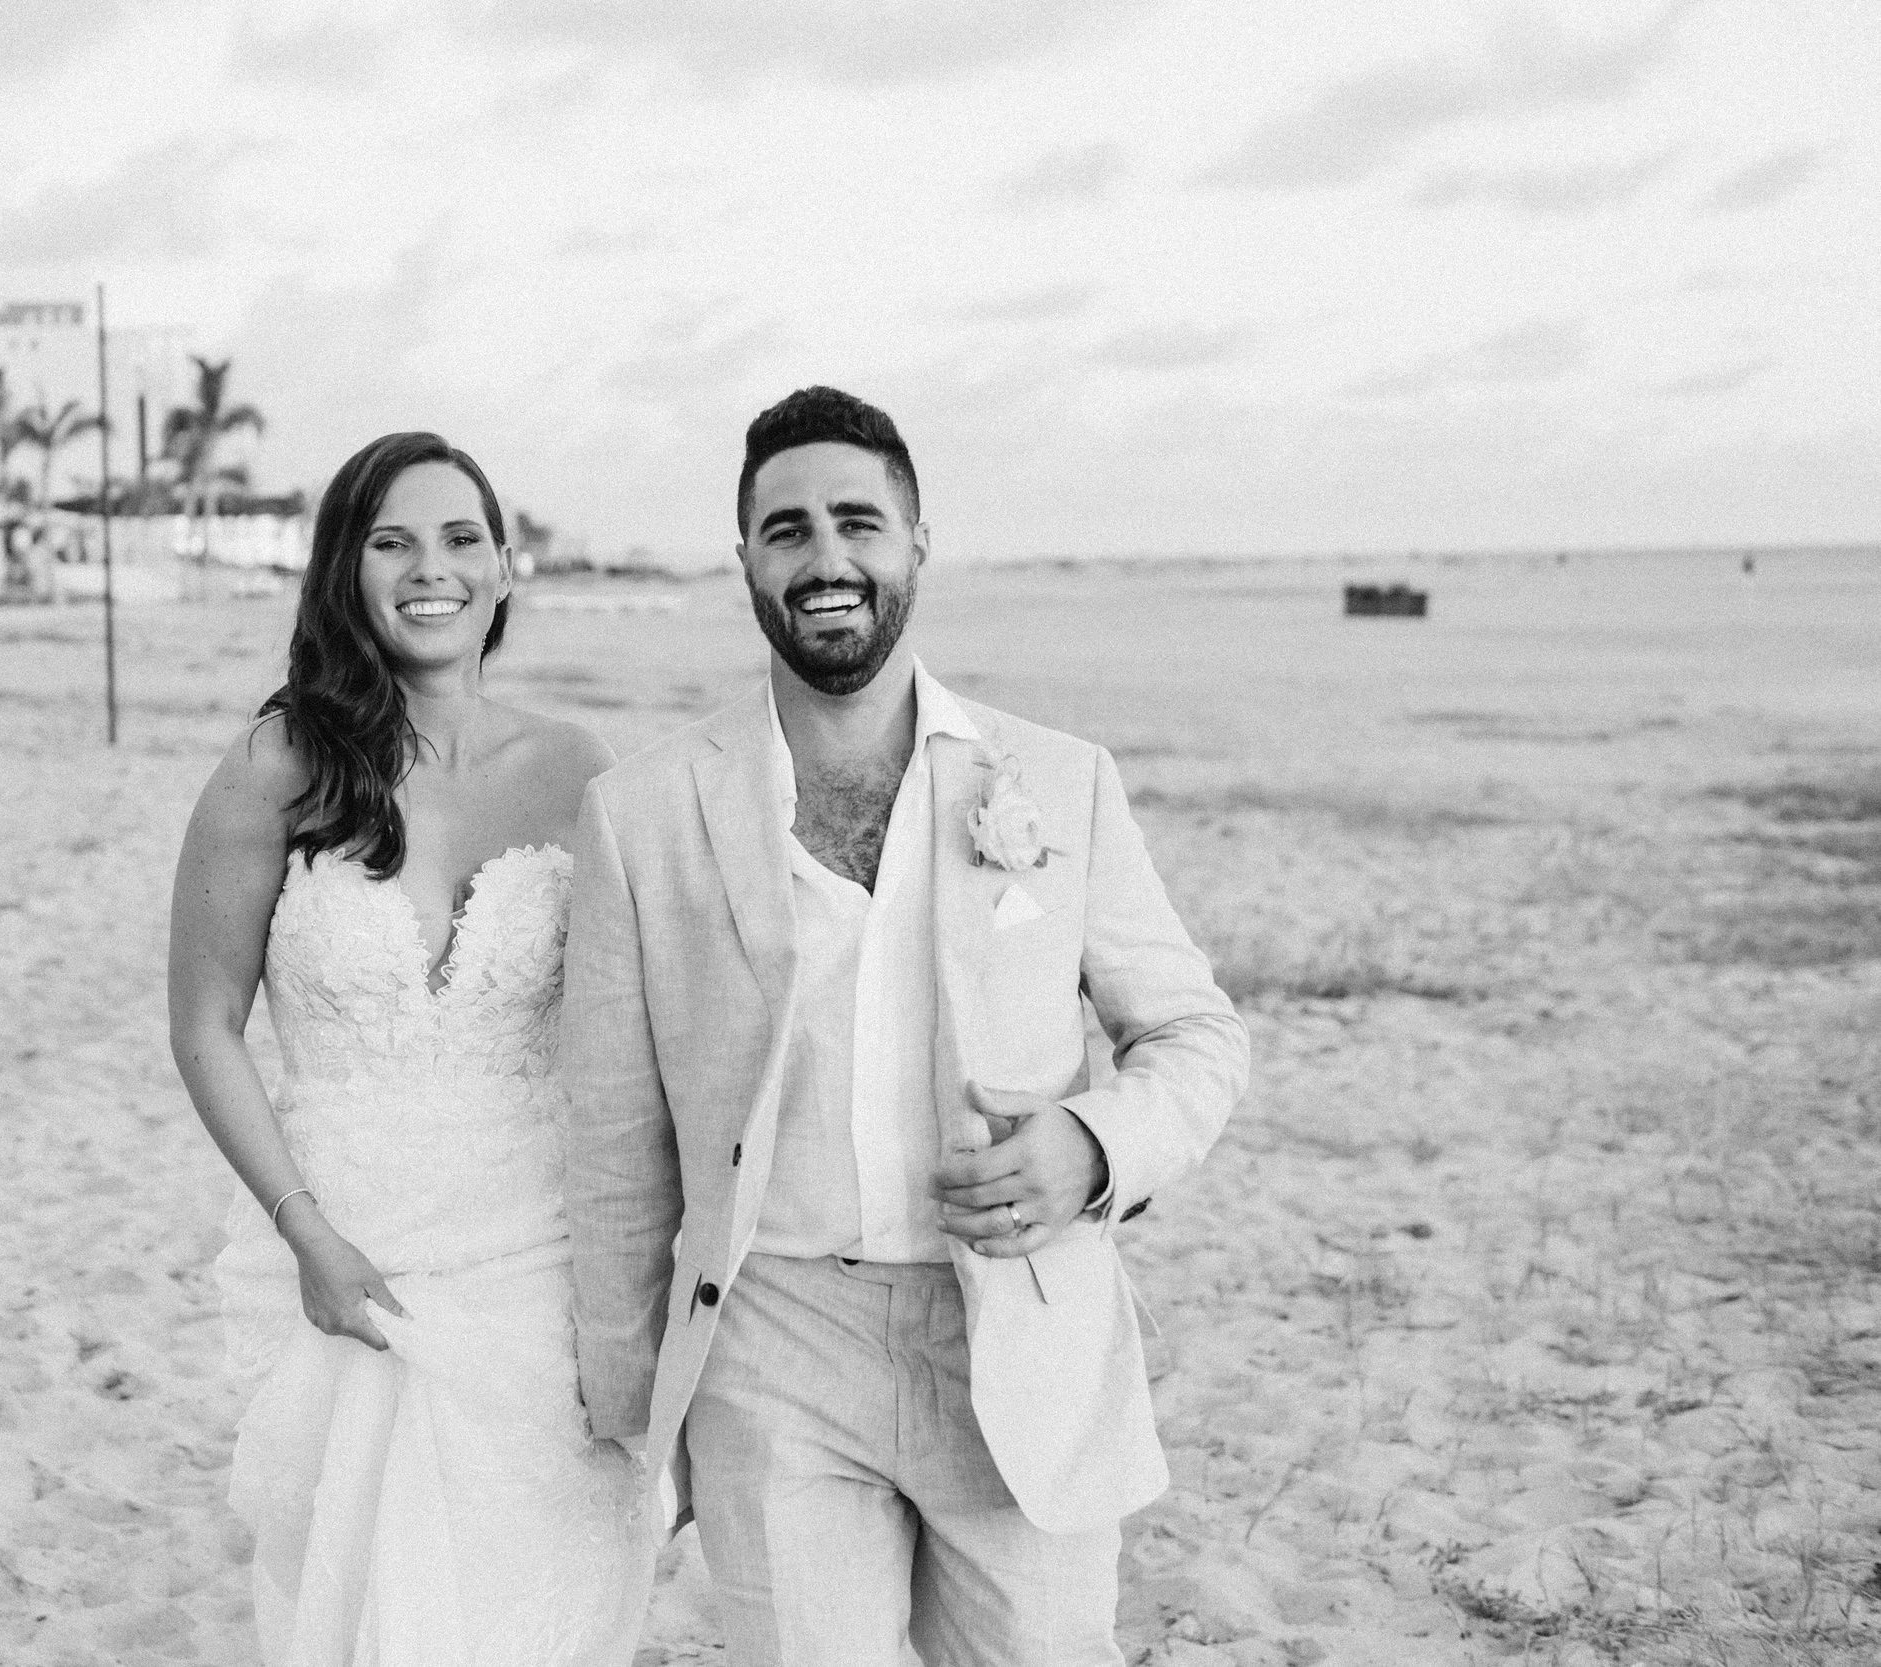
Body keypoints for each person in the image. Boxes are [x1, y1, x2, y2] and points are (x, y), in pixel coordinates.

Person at [562, 387, 1250, 1665]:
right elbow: (613, 1140)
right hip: (771, 1346)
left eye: (857, 522)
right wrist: (628, 1408)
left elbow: (1197, 1037)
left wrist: (1090, 1149)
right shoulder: (641, 811)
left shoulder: (1056, 779)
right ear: (747, 564)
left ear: (916, 544)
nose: (826, 558)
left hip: (1017, 1333)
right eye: (787, 529)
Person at [171, 431, 650, 1666]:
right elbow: (204, 1022)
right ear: (347, 569)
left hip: (537, 1267)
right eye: (391, 539)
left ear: (504, 569)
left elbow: (631, 1032)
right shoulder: (276, 768)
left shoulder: (576, 770)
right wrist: (305, 1230)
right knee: (363, 1608)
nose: (427, 568)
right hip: (350, 1257)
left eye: (458, 538)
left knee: (539, 1604)